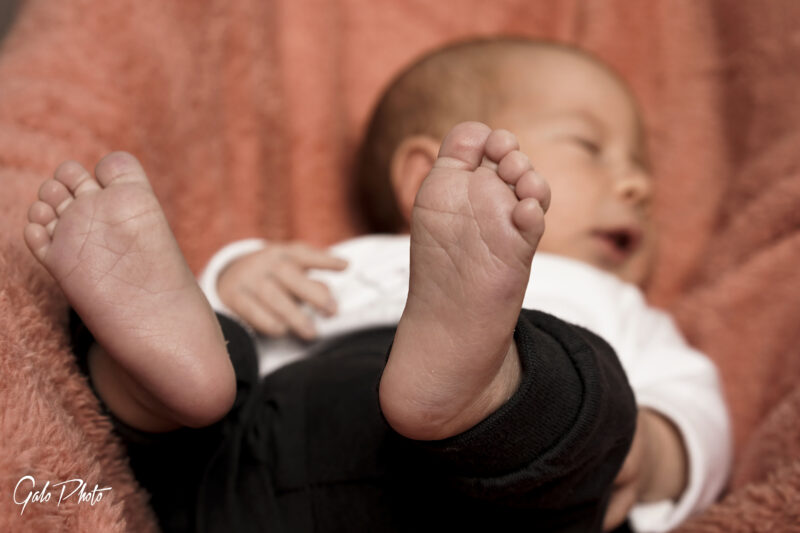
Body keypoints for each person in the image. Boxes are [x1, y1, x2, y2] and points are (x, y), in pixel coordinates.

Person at [200, 39, 731, 532]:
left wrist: (649, 449)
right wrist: (236, 278)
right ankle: (166, 401)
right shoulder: (352, 263)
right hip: (277, 460)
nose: (638, 186)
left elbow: (694, 409)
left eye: (639, 167)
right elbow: (256, 319)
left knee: (586, 390)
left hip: (498, 489)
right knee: (217, 375)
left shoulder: (619, 303)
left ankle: (492, 390)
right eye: (589, 146)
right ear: (425, 178)